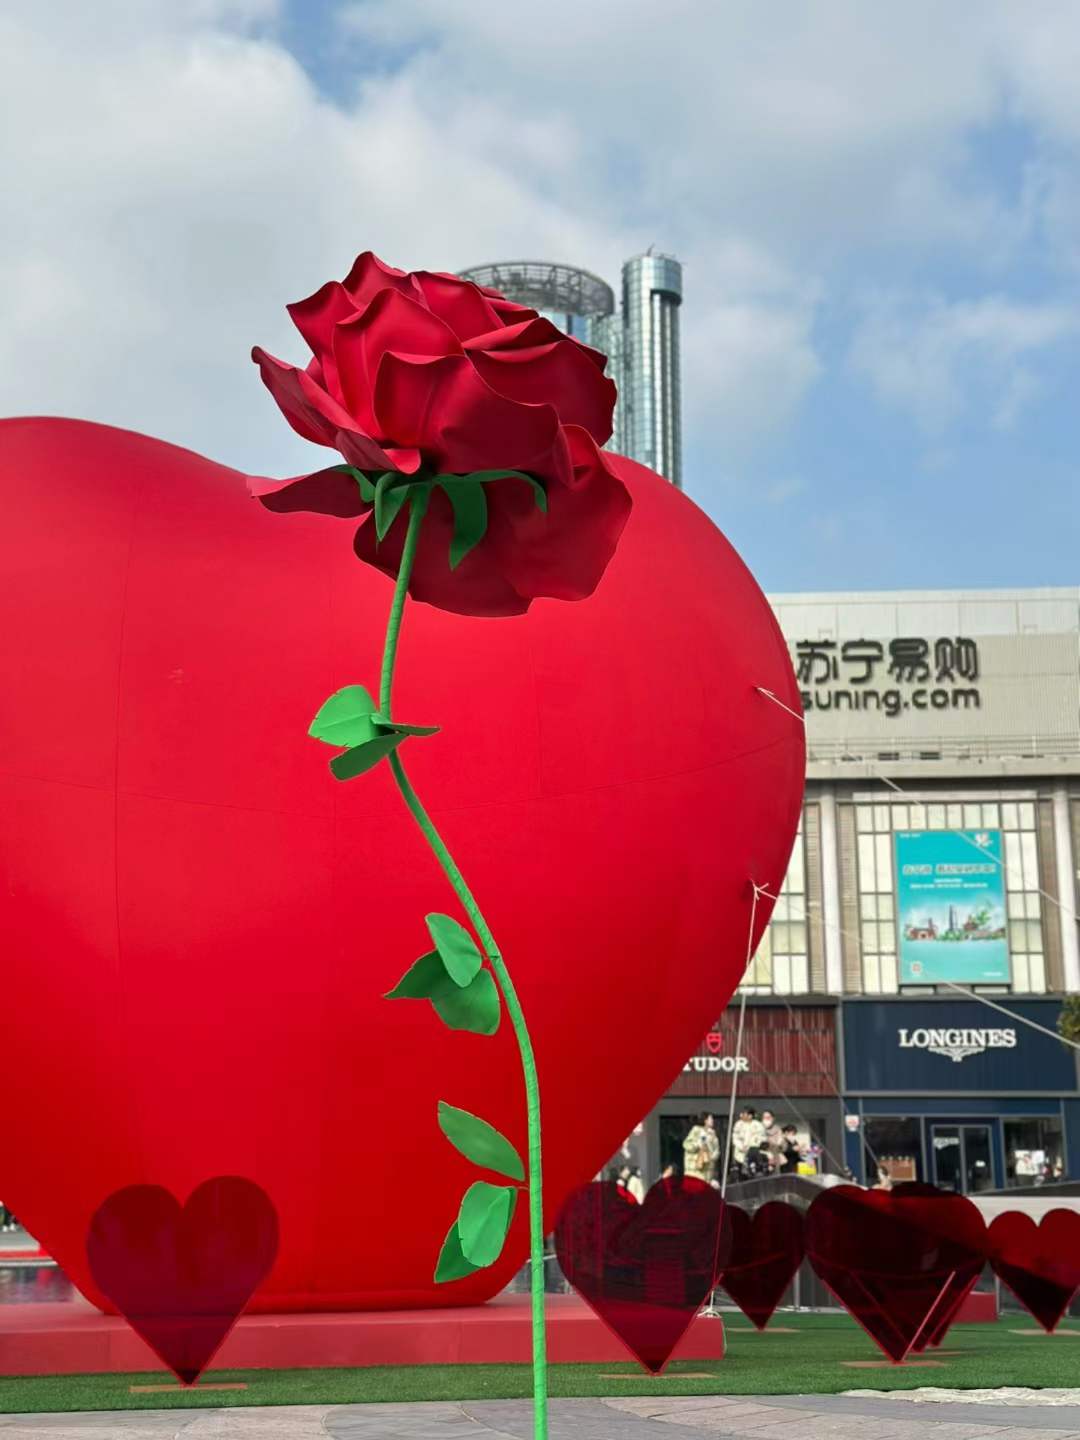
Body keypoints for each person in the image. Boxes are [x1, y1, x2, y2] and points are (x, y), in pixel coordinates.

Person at [683, 1112, 720, 1184]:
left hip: (708, 1173)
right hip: (695, 1172)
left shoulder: (713, 1134)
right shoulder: (696, 1130)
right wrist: (697, 1144)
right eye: (710, 1118)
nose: (712, 1120)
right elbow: (686, 1144)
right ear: (705, 1120)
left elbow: (716, 1150)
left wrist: (713, 1156)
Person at [732, 1107, 766, 1175]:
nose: (741, 1115)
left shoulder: (758, 1125)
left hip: (753, 1154)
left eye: (744, 1114)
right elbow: (735, 1138)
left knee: (753, 1172)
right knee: (740, 1173)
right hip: (740, 1154)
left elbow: (762, 1138)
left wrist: (752, 1147)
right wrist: (741, 1146)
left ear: (750, 1116)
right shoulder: (738, 1124)